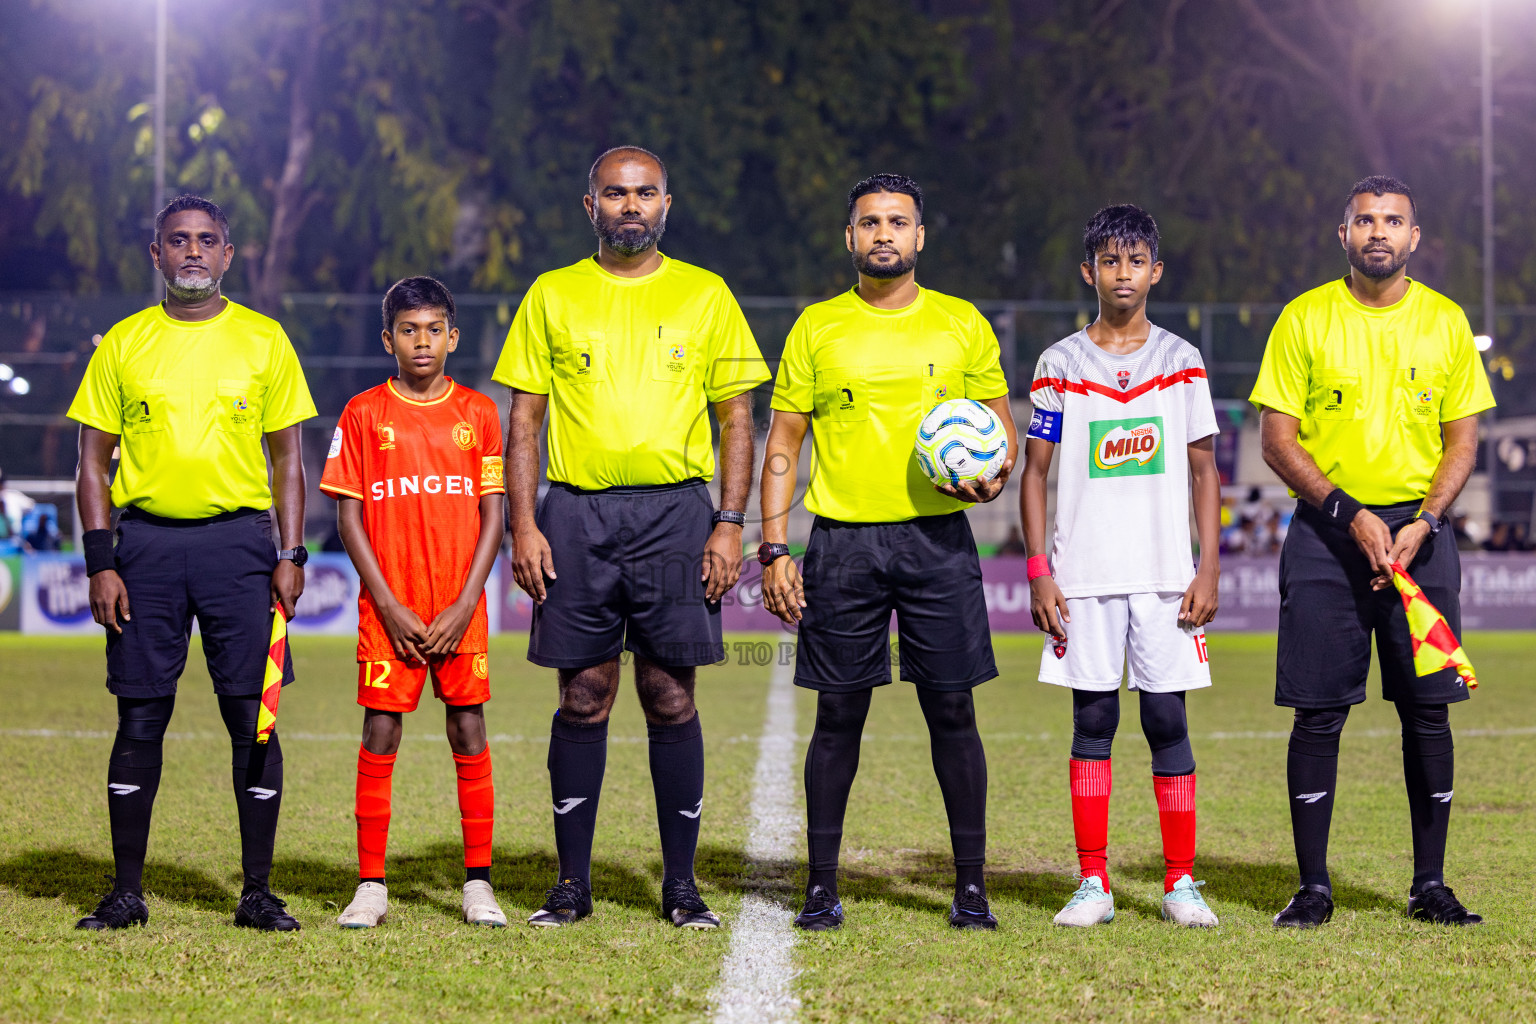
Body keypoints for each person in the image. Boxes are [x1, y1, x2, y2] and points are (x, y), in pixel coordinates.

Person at [495, 146, 770, 930]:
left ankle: (680, 887)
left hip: (677, 516)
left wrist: (728, 523)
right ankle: (570, 886)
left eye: (644, 192)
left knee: (668, 693)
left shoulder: (706, 295)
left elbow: (737, 419)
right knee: (582, 696)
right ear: (590, 206)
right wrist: (524, 522)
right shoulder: (552, 294)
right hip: (574, 516)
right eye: (614, 192)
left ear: (665, 204)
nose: (629, 205)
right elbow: (524, 423)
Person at [760, 173, 1018, 932]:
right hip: (841, 542)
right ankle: (820, 886)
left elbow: (997, 434)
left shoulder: (962, 324)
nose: (883, 234)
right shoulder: (816, 328)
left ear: (919, 237)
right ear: (850, 237)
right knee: (838, 714)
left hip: (937, 538)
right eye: (869, 222)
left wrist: (991, 476)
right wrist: (776, 547)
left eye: (897, 222)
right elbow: (784, 443)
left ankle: (970, 887)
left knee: (953, 709)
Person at [1250, 175, 1495, 928]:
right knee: (1317, 714)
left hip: (1423, 542)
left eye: (1393, 221)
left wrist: (1425, 520)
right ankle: (1313, 888)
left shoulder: (1446, 323)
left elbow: (1463, 441)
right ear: (1343, 234)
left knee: (1428, 713)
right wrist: (1347, 511)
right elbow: (1276, 439)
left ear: (1415, 237)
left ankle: (1431, 886)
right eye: (1365, 220)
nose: (1378, 232)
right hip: (1328, 535)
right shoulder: (1304, 318)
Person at [67, 195, 315, 932]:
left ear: (229, 254)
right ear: (157, 254)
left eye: (208, 241)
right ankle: (125, 893)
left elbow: (288, 460)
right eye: (178, 241)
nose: (194, 252)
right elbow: (91, 462)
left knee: (254, 718)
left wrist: (291, 552)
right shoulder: (124, 342)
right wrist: (99, 561)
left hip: (239, 547)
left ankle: (258, 893)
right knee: (140, 716)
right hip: (142, 548)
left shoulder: (265, 340)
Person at [1020, 205, 1222, 929]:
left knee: (1168, 718)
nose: (1123, 273)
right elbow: (1035, 476)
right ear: (1089, 272)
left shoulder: (1182, 360)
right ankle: (1094, 883)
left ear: (1156, 271)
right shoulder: (1059, 365)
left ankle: (1179, 882)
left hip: (1167, 574)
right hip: (1083, 578)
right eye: (1110, 261)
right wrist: (1041, 573)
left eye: (1136, 261)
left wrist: (1209, 568)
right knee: (1093, 719)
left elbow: (1205, 472)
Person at [320, 277, 508, 929]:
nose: (421, 341)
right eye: (408, 329)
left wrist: (463, 604)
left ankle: (478, 883)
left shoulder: (479, 413)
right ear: (388, 339)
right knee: (380, 729)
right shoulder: (363, 414)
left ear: (452, 337)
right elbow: (348, 519)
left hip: (460, 607)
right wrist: (390, 605)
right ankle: (371, 884)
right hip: (389, 610)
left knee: (469, 728)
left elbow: (494, 518)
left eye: (433, 329)